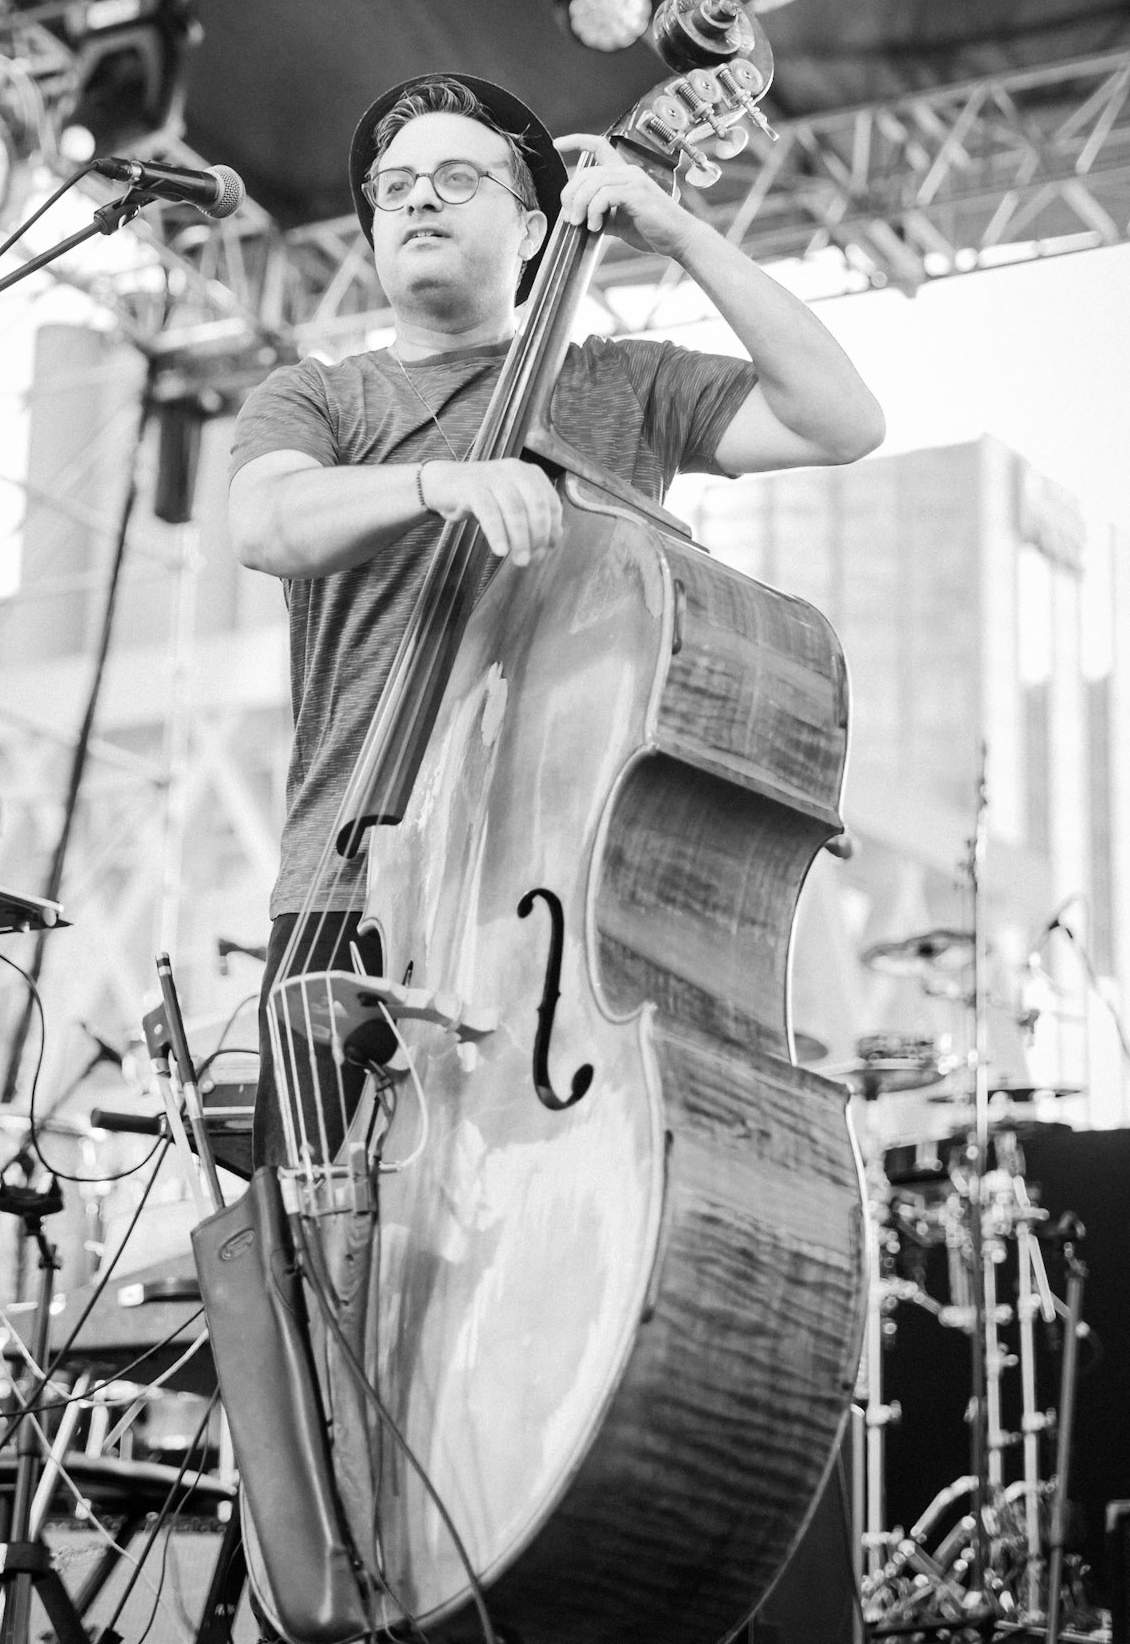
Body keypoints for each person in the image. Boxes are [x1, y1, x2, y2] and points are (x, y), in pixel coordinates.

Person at [228, 72, 884, 1167]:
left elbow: (840, 418)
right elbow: (265, 524)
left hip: (547, 912)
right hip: (343, 894)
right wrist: (439, 484)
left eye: (454, 177)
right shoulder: (325, 398)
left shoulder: (617, 387)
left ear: (535, 223)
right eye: (393, 187)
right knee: (307, 1275)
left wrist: (679, 232)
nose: (417, 201)